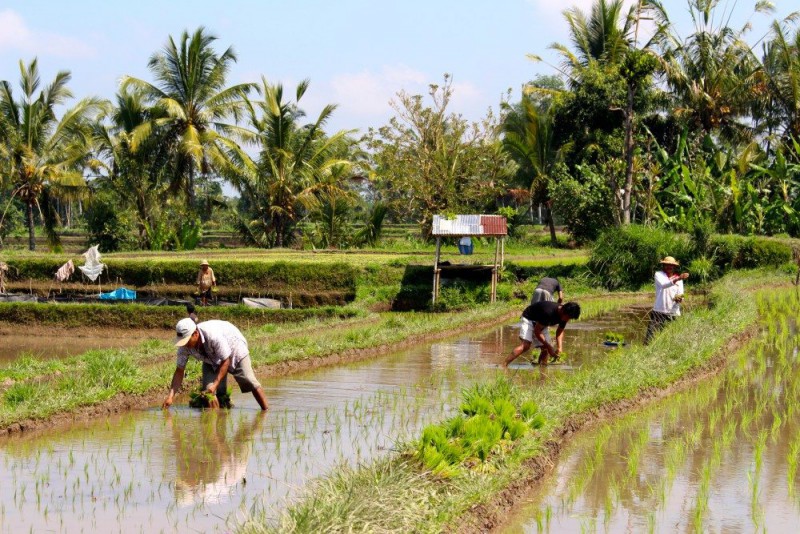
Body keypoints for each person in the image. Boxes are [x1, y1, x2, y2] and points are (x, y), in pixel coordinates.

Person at [163, 318, 269, 411]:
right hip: (210, 358)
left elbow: (225, 361)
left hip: (234, 347)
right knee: (209, 393)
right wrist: (170, 397)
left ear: (195, 334)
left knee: (248, 379)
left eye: (186, 341)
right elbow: (179, 371)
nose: (184, 344)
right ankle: (216, 425)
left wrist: (216, 384)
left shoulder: (213, 336)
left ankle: (266, 412)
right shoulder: (184, 347)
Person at [503, 300, 581, 368]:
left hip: (541, 323)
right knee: (526, 345)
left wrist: (559, 347)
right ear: (563, 311)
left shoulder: (565, 316)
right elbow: (537, 331)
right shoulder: (548, 312)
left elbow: (559, 331)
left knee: (545, 349)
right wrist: (549, 346)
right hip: (529, 319)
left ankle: (542, 370)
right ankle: (504, 365)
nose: (568, 320)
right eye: (568, 317)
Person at [645, 256, 689, 344]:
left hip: (673, 312)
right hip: (659, 311)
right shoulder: (659, 274)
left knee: (672, 338)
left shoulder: (679, 279)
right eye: (667, 265)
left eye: (671, 265)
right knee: (650, 338)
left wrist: (679, 299)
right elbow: (663, 285)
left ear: (674, 267)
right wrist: (678, 278)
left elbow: (681, 294)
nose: (669, 267)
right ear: (663, 266)